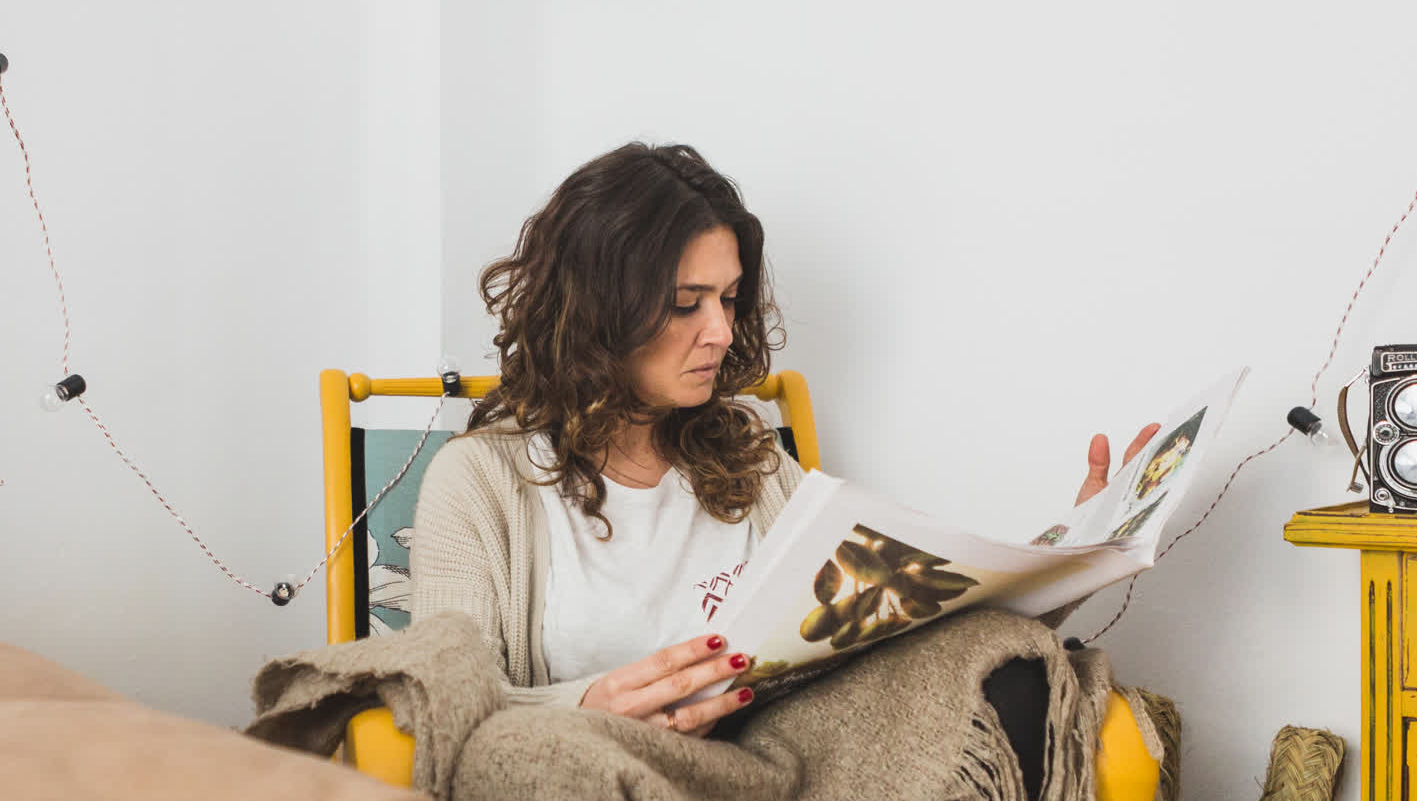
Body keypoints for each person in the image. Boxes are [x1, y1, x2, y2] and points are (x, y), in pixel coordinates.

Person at [408, 141, 1155, 745]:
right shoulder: (479, 483)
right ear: (597, 309)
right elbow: (450, 707)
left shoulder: (749, 459)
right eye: (684, 303)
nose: (722, 332)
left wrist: (1078, 550)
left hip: (766, 784)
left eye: (729, 299)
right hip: (595, 789)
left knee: (1014, 682)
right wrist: (588, 708)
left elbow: (906, 637)